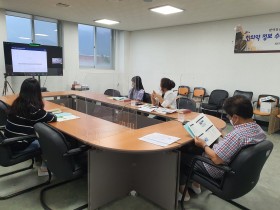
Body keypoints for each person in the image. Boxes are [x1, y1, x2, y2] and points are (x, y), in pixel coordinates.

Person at [179, 95, 266, 201]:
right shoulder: (258, 129)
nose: (229, 119)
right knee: (198, 148)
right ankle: (196, 185)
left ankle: (183, 191)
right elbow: (239, 144)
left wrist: (203, 145)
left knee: (180, 156)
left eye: (229, 117)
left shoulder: (237, 135)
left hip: (216, 169)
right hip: (238, 170)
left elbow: (216, 159)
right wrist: (222, 133)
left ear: (235, 117)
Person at [4, 78, 57, 154]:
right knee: (49, 142)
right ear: (37, 93)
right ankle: (45, 164)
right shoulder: (33, 110)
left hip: (8, 143)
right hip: (19, 145)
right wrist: (48, 113)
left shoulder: (16, 104)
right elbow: (53, 118)